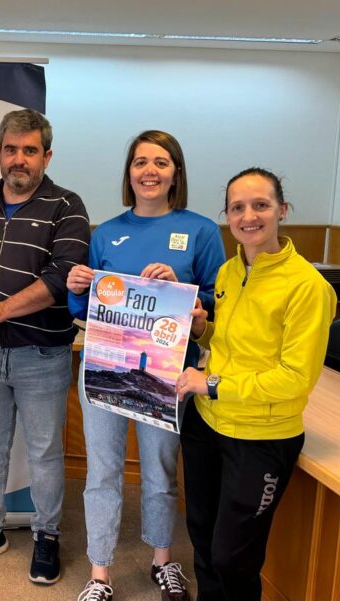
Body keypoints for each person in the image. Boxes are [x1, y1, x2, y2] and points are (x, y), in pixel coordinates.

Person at [66, 131, 225, 601]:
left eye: (161, 162)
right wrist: (76, 287)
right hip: (104, 367)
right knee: (102, 473)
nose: (149, 171)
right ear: (129, 172)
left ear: (176, 172)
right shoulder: (105, 232)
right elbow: (86, 309)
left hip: (166, 373)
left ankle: (162, 560)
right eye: (140, 162)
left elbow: (219, 302)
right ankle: (99, 574)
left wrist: (182, 289)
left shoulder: (201, 231)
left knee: (160, 470)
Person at [0, 109, 90, 585]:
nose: (19, 159)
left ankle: (47, 534)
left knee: (44, 452)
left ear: (47, 155)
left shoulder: (67, 206)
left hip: (41, 354)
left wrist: (3, 308)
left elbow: (61, 278)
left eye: (29, 150)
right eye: (11, 149)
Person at [174, 167, 336, 601]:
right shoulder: (229, 272)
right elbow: (232, 345)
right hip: (207, 423)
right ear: (227, 216)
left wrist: (212, 384)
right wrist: (202, 330)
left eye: (261, 205)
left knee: (233, 557)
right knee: (202, 535)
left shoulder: (308, 287)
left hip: (260, 436)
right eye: (237, 208)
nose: (249, 216)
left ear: (283, 210)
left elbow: (294, 379)